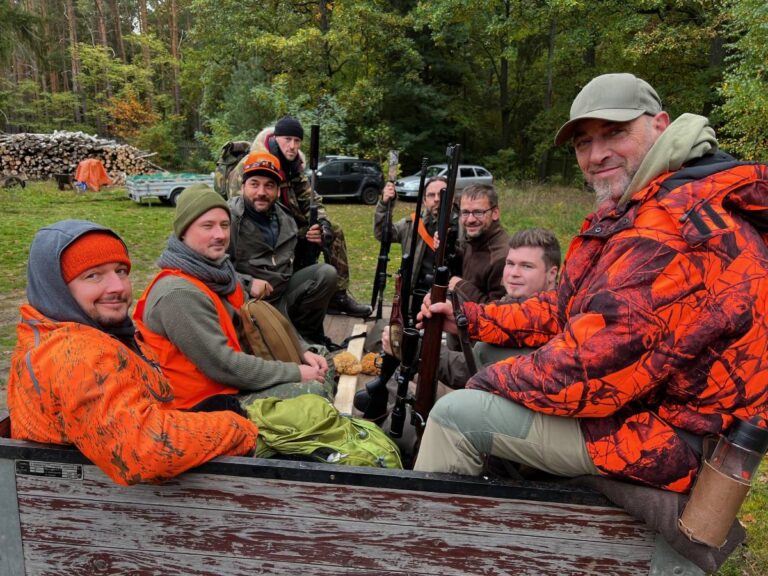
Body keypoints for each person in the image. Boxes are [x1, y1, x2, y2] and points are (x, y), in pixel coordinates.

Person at [414, 72, 768, 493]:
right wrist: (469, 317)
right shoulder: (640, 203)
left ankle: (431, 547)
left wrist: (485, 385)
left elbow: (593, 368)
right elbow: (566, 306)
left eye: (615, 133)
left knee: (456, 415)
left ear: (660, 124)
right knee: (489, 349)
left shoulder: (670, 226)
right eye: (584, 142)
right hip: (642, 401)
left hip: (672, 438)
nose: (597, 154)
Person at [7, 220, 258, 486]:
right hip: (102, 507)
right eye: (93, 275)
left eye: (121, 271)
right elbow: (142, 450)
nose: (117, 286)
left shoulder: (86, 332)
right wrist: (239, 429)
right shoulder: (76, 354)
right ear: (56, 288)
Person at [134, 183, 332, 413]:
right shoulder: (178, 294)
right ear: (183, 232)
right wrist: (295, 372)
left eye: (225, 225)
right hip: (202, 406)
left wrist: (302, 350)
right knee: (313, 393)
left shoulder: (221, 273)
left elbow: (263, 322)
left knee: (322, 358)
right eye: (207, 226)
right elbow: (225, 366)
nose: (219, 235)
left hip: (232, 383)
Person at [244, 116, 371, 318]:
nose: (293, 146)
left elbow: (311, 198)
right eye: (287, 139)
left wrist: (321, 224)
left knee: (333, 231)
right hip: (269, 231)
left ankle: (338, 296)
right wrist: (300, 232)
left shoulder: (294, 166)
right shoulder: (259, 164)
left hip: (294, 225)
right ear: (276, 138)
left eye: (297, 141)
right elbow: (251, 209)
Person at [436, 228, 561, 388]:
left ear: (552, 273)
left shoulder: (545, 323)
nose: (513, 273)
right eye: (510, 263)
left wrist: (413, 346)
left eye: (527, 266)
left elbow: (470, 372)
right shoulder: (514, 301)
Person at [374, 176, 445, 296]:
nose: (437, 199)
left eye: (442, 194)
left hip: (450, 298)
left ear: (452, 197)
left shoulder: (465, 226)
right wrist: (384, 205)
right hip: (416, 295)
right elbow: (382, 233)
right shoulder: (411, 224)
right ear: (424, 200)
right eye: (431, 195)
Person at [448, 183, 509, 304]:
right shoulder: (475, 240)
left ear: (495, 213)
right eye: (465, 212)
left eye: (478, 212)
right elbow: (472, 260)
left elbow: (496, 311)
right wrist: (447, 247)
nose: (470, 219)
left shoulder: (502, 258)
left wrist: (460, 285)